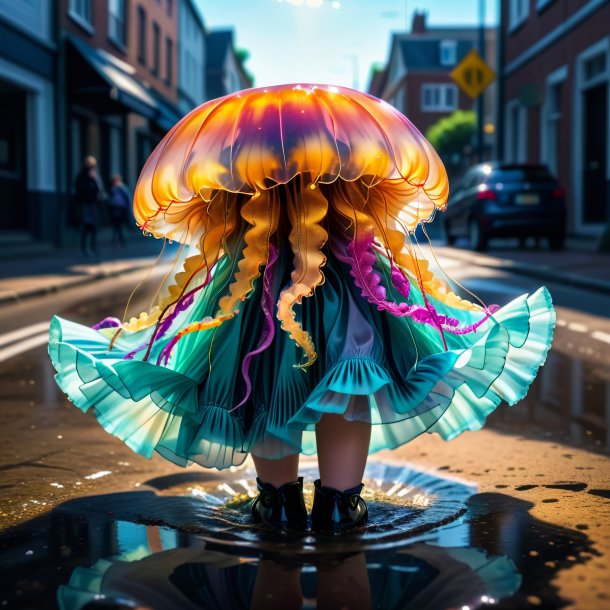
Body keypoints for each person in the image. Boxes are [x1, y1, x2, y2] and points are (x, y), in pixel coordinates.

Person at [48, 85, 555, 534]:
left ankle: (278, 502)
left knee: (264, 381)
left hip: (253, 283)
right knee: (351, 380)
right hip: (349, 276)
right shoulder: (350, 168)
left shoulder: (236, 174)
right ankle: (339, 503)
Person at [74, 155, 103, 257]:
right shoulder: (82, 176)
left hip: (93, 204)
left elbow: (99, 188)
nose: (92, 168)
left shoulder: (94, 176)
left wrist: (95, 178)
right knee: (86, 227)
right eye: (91, 165)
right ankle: (83, 249)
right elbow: (80, 190)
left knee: (93, 227)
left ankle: (93, 247)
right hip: (85, 204)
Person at [108, 174, 131, 247]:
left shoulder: (121, 188)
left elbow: (127, 197)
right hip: (116, 209)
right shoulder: (114, 189)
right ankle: (118, 241)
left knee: (118, 226)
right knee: (117, 226)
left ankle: (118, 241)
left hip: (120, 209)